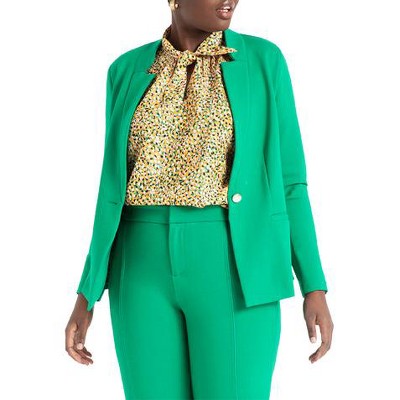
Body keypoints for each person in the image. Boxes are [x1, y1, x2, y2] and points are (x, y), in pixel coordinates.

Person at [65, 0, 334, 399]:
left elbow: (290, 182)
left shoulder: (264, 62)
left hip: (234, 263)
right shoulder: (125, 70)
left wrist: (314, 284)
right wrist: (87, 291)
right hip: (139, 267)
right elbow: (111, 188)